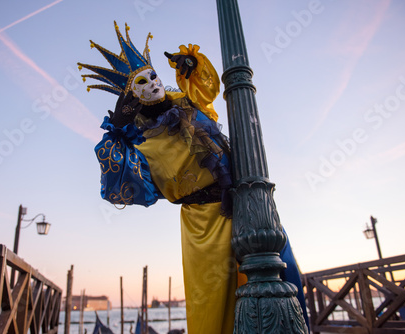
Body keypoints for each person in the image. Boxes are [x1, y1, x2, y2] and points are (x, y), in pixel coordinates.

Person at [78, 21, 307, 334]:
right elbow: (121, 185)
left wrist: (191, 63)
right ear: (132, 97)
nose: (152, 84)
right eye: (141, 83)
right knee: (214, 301)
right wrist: (117, 128)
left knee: (282, 273)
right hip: (202, 223)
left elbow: (207, 87)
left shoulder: (187, 103)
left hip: (246, 202)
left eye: (153, 75)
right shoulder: (139, 140)